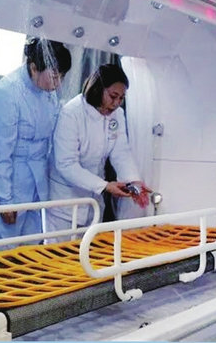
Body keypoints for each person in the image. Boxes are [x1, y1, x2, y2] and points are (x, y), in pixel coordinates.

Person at [0, 37, 71, 250]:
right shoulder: (7, 92)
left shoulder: (49, 94)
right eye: (54, 76)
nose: (58, 83)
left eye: (62, 77)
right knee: (2, 252)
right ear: (33, 68)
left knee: (31, 250)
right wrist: (4, 201)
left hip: (37, 185)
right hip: (9, 183)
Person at [47, 63, 149, 239]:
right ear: (98, 88)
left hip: (94, 201)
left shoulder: (117, 114)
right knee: (60, 253)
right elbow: (66, 164)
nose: (116, 103)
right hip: (65, 203)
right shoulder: (71, 113)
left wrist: (134, 182)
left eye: (121, 98)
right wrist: (104, 186)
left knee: (91, 252)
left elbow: (121, 152)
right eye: (113, 96)